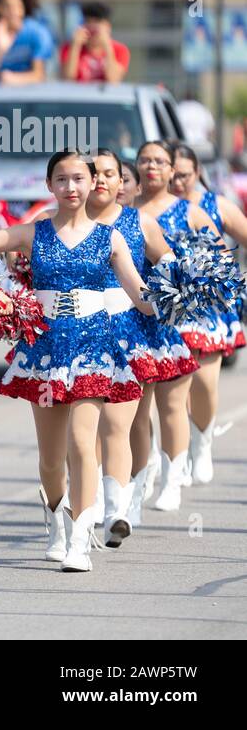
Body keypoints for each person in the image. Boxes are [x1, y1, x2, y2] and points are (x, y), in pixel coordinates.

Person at [0, 150, 153, 572]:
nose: (72, 187)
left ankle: (80, 538)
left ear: (92, 182)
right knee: (50, 457)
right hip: (45, 347)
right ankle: (55, 523)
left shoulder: (110, 237)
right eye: (62, 179)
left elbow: (140, 296)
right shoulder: (33, 233)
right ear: (50, 186)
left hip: (95, 344)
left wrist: (177, 296)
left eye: (79, 178)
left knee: (83, 443)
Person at [126, 140, 220, 513]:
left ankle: (173, 478)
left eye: (160, 161)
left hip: (176, 321)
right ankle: (140, 472)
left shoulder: (190, 212)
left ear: (171, 170)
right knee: (134, 409)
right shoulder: (122, 214)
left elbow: (217, 264)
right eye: (145, 160)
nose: (152, 167)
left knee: (172, 405)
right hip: (131, 321)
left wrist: (190, 289)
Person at [168, 143, 247, 485]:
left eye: (184, 175)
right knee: (174, 388)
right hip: (165, 306)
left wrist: (228, 276)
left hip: (208, 306)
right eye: (171, 175)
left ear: (197, 171)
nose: (177, 182)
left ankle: (202, 441)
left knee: (203, 382)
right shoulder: (146, 208)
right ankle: (177, 457)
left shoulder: (216, 206)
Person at [60, 1, 129, 83]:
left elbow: (113, 79)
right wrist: (75, 46)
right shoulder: (69, 47)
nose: (92, 26)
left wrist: (107, 45)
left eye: (97, 22)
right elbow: (68, 78)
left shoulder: (120, 50)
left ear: (107, 26)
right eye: (88, 21)